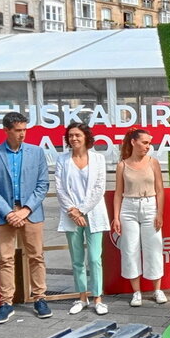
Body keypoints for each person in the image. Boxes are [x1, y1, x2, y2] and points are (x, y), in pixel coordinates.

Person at [0, 112, 50, 325]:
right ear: (7, 131)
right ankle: (6, 303)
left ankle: (40, 298)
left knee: (36, 256)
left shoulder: (36, 152)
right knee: (5, 258)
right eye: (18, 130)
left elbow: (43, 184)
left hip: (30, 212)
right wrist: (9, 213)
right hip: (5, 214)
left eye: (24, 130)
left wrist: (26, 210)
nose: (22, 134)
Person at [54, 122, 110, 315]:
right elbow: (60, 188)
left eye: (77, 135)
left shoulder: (98, 159)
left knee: (94, 258)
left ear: (86, 137)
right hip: (71, 215)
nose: (74, 139)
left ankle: (98, 298)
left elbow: (99, 188)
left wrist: (82, 210)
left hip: (93, 213)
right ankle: (82, 297)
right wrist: (73, 211)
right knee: (77, 259)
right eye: (70, 136)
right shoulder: (62, 160)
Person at [112, 128, 166, 306]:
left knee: (154, 248)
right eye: (145, 142)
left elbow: (160, 190)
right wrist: (116, 217)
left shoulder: (153, 163)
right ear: (133, 142)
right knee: (130, 249)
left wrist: (159, 213)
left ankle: (157, 289)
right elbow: (118, 193)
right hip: (128, 208)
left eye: (149, 143)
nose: (148, 146)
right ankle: (137, 292)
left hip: (150, 205)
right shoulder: (122, 165)